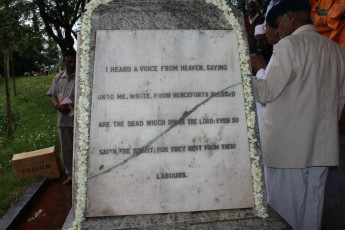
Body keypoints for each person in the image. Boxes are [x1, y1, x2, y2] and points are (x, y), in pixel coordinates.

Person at [253, 0, 345, 229]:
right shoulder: (338, 51)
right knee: (311, 216)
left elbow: (266, 91)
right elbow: (339, 103)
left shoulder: (289, 46)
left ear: (290, 17)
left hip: (288, 151)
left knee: (284, 215)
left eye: (278, 23)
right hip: (322, 150)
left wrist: (239, 75)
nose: (276, 29)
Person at [47, 50, 76, 185]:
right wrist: (57, 106)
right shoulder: (58, 78)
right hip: (63, 120)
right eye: (69, 61)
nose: (72, 64)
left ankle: (81, 175)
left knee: (79, 148)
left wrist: (74, 104)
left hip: (77, 119)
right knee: (66, 148)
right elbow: (52, 95)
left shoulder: (81, 77)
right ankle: (70, 175)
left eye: (74, 61)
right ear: (63, 61)